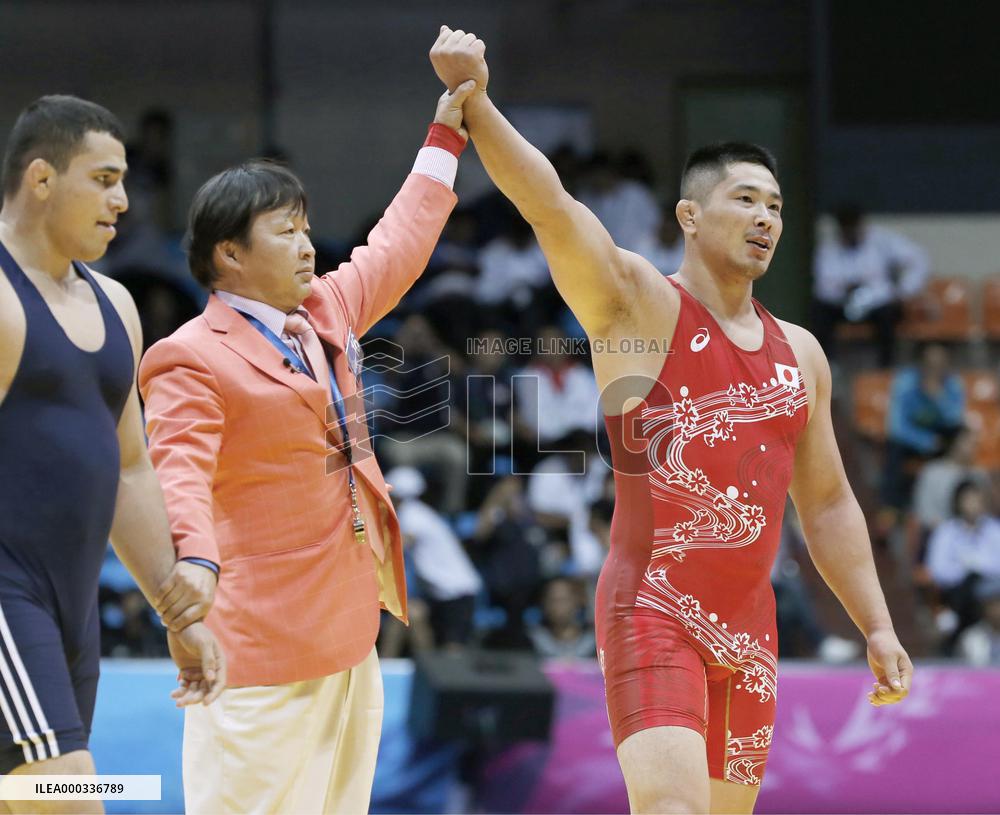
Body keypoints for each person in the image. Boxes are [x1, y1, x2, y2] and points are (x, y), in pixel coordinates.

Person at [430, 29, 912, 814]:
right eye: (745, 199)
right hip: (652, 610)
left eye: (776, 206)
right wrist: (477, 102)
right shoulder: (639, 305)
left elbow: (826, 503)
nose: (765, 217)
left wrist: (878, 624)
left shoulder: (803, 354)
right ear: (689, 214)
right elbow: (551, 209)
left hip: (751, 634)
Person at [138, 81, 476, 814]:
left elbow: (398, 242)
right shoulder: (188, 356)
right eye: (286, 231)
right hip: (258, 646)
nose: (307, 245)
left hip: (349, 633)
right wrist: (192, 571)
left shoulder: (323, 307)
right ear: (229, 252)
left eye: (307, 228)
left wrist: (446, 136)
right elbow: (178, 477)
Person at [0, 95, 223, 810]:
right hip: (8, 598)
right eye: (103, 180)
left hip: (70, 608)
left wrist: (177, 612)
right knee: (71, 796)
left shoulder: (115, 305)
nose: (122, 201)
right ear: (41, 179)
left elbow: (130, 469)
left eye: (123, 181)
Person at [812, 204, 929, 366]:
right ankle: (827, 365)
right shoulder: (829, 249)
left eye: (854, 227)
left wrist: (904, 291)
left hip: (876, 303)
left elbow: (917, 259)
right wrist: (844, 289)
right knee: (819, 312)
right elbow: (823, 288)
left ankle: (885, 367)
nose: (851, 232)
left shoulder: (881, 241)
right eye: (847, 228)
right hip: (843, 304)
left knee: (888, 315)